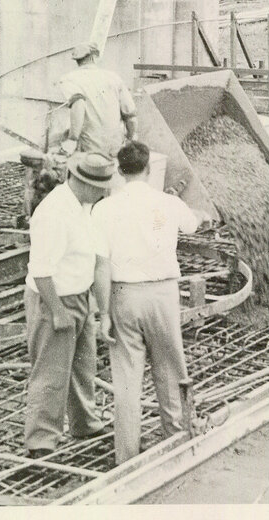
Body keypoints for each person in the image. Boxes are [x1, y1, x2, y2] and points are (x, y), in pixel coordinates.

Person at [90, 141, 202, 465]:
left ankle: (126, 459)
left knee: (126, 381)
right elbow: (193, 224)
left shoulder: (104, 208)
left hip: (124, 295)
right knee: (170, 370)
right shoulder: (168, 202)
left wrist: (103, 314)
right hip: (164, 294)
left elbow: (100, 266)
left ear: (119, 171)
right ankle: (179, 441)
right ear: (149, 170)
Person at [23, 152, 115, 456]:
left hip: (78, 294)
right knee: (51, 372)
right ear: (82, 182)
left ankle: (84, 422)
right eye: (99, 186)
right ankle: (41, 441)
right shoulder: (54, 213)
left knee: (81, 364)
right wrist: (59, 312)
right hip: (54, 298)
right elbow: (41, 270)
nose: (103, 192)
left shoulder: (82, 205)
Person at [57, 41, 138, 158]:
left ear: (76, 60)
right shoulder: (114, 77)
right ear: (95, 58)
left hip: (89, 151)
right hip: (115, 149)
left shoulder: (69, 79)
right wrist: (130, 139)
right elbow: (130, 116)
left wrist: (72, 139)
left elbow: (78, 104)